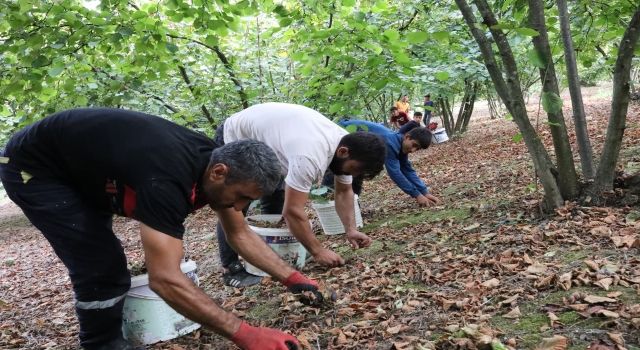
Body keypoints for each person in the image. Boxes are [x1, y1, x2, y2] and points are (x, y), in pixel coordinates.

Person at [0, 108, 335, 350]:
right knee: (100, 265)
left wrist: (294, 279)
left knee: (100, 245)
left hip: (87, 165)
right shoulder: (167, 180)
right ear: (218, 172)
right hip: (35, 167)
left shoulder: (213, 165)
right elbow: (165, 279)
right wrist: (246, 334)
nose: (238, 207)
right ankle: (100, 342)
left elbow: (240, 232)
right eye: (241, 198)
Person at [214, 103, 387, 287]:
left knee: (277, 196)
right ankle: (230, 268)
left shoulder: (346, 144)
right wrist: (318, 252)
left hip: (272, 144)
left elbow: (344, 191)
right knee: (234, 204)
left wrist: (351, 229)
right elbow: (293, 212)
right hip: (234, 136)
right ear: (342, 152)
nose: (353, 175)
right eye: (356, 169)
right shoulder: (310, 156)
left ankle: (271, 258)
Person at [322, 120, 441, 207]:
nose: (413, 150)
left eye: (418, 149)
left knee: (357, 175)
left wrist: (425, 192)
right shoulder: (390, 144)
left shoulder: (401, 146)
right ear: (407, 137)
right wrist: (417, 195)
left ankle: (353, 210)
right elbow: (395, 173)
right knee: (337, 177)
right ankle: (327, 208)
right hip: (340, 140)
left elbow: (407, 170)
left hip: (356, 150)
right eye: (414, 145)